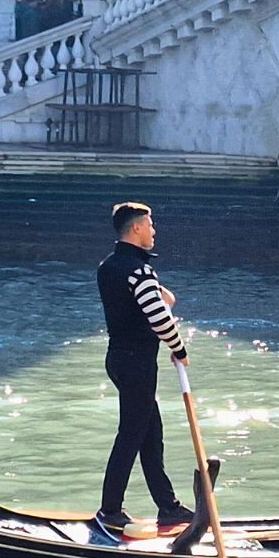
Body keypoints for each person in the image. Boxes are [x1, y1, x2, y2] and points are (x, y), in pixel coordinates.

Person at [93, 202, 195, 532]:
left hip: (119, 359)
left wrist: (155, 285)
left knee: (151, 434)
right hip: (137, 363)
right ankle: (110, 510)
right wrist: (179, 349)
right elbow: (160, 318)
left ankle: (168, 507)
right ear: (136, 228)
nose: (154, 231)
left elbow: (161, 299)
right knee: (132, 435)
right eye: (150, 225)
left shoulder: (109, 267)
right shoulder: (138, 271)